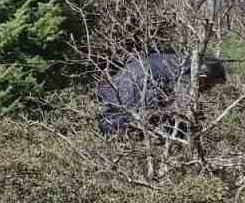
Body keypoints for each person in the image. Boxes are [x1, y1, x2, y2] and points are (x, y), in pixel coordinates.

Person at [97, 51, 228, 140]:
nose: (208, 90)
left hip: (116, 93)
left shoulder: (177, 62)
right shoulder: (184, 76)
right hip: (130, 98)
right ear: (203, 78)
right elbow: (179, 115)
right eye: (210, 85)